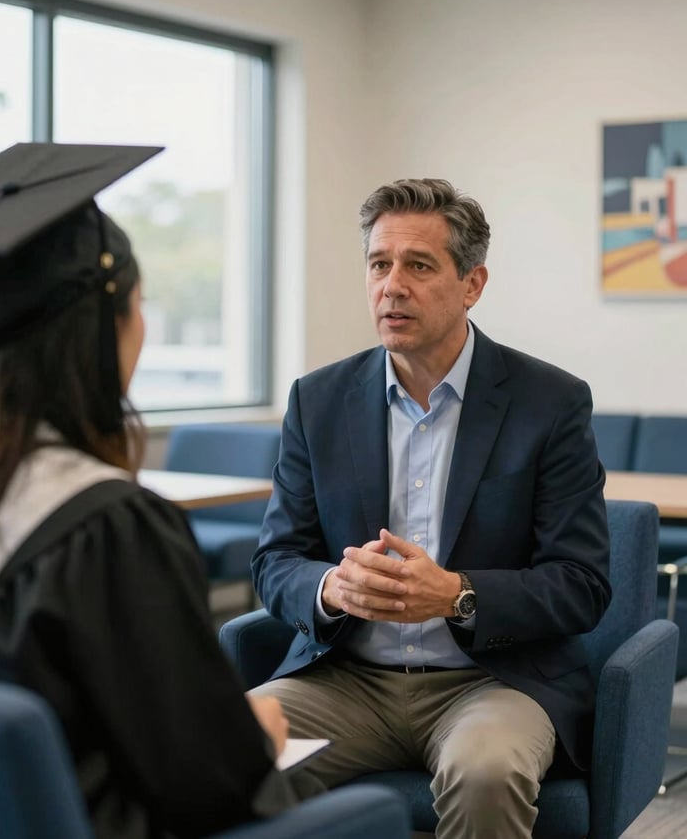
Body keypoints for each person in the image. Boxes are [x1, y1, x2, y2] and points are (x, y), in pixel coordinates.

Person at [0, 143, 309, 839]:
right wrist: (256, 735)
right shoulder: (109, 529)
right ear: (106, 324)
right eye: (138, 304)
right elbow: (208, 788)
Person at [250, 177, 611, 838]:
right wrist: (331, 586)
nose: (393, 285)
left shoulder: (550, 403)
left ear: (472, 284)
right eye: (379, 264)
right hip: (345, 680)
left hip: (491, 681)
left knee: (485, 772)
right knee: (225, 747)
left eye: (419, 265)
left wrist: (456, 595)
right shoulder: (318, 400)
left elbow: (582, 586)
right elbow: (276, 561)